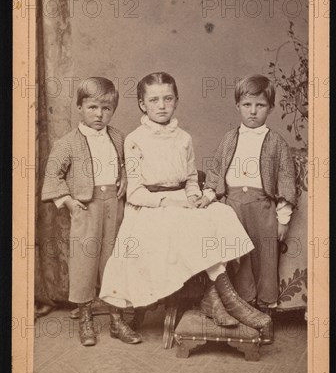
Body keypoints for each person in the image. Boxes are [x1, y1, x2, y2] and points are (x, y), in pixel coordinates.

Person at [100, 72, 272, 344]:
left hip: (181, 200)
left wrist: (194, 196)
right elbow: (134, 192)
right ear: (143, 104)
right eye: (154, 100)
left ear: (176, 101)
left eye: (168, 98)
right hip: (150, 207)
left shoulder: (183, 138)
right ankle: (226, 298)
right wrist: (168, 201)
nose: (161, 105)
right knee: (187, 224)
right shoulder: (135, 140)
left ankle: (215, 297)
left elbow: (191, 178)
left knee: (221, 213)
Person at [200, 74, 297, 321]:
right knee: (238, 257)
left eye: (260, 105)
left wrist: (283, 217)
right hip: (231, 206)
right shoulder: (230, 138)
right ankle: (241, 307)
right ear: (238, 107)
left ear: (271, 108)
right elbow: (216, 170)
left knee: (265, 256)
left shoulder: (277, 143)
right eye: (247, 105)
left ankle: (265, 310)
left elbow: (286, 178)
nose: (253, 112)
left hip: (262, 208)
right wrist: (210, 194)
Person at [41, 77, 129, 347]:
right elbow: (52, 175)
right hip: (86, 207)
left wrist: (124, 177)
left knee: (114, 259)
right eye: (92, 107)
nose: (99, 114)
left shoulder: (118, 136)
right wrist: (68, 201)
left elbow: (124, 164)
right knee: (84, 261)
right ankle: (86, 318)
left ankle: (117, 318)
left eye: (106, 109)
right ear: (80, 107)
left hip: (114, 204)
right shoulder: (67, 142)